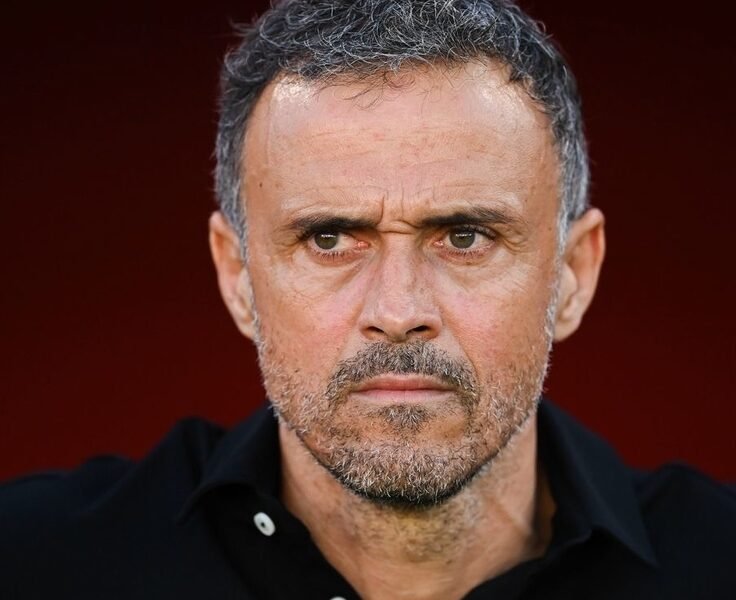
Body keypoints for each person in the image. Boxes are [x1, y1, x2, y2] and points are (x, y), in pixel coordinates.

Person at [1, 1, 734, 598]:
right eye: (329, 239)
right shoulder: (33, 565)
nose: (398, 310)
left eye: (466, 236)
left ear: (573, 272)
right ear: (237, 275)